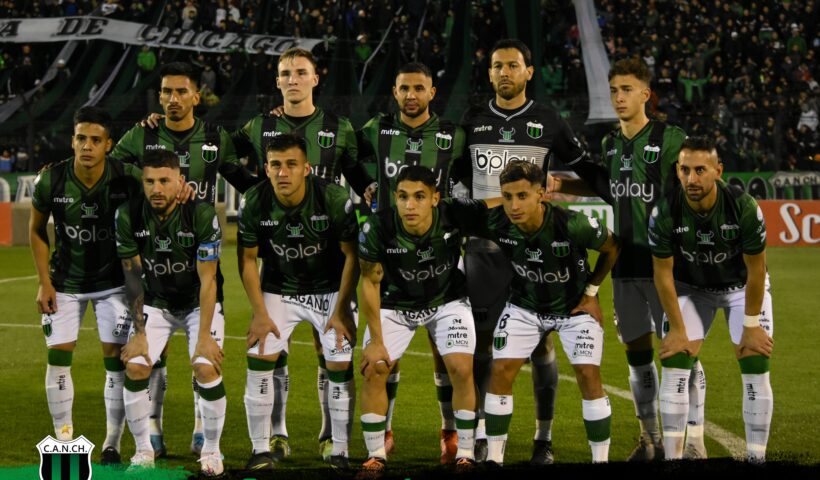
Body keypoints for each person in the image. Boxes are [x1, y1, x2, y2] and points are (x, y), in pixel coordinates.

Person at [553, 57, 704, 460]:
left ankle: (695, 440)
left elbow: (695, 183)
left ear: (645, 94)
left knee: (682, 353)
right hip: (625, 267)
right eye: (613, 90)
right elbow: (607, 187)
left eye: (626, 90)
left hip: (668, 266)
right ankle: (649, 439)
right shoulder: (610, 144)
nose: (618, 97)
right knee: (637, 359)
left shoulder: (671, 138)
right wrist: (559, 183)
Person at [232, 48, 374, 461]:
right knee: (273, 349)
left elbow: (357, 172)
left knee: (327, 349)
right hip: (280, 258)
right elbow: (220, 155)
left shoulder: (339, 127)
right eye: (285, 73)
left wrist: (369, 191)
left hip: (329, 260)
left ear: (315, 78)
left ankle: (331, 437)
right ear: (277, 81)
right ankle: (276, 435)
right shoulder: (260, 125)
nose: (292, 79)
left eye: (300, 72)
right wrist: (257, 192)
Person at [110, 61, 258, 457]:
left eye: (180, 91)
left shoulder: (214, 137)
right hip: (154, 254)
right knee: (152, 358)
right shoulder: (141, 134)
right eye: (166, 92)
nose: (172, 99)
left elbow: (242, 176)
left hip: (198, 254)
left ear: (197, 95)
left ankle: (201, 429)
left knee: (202, 355)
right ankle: (152, 430)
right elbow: (111, 170)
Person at [457, 38, 589, 463]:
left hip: (536, 251)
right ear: (489, 73)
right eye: (497, 66)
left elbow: (587, 175)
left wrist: (561, 186)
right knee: (482, 344)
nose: (505, 72)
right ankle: (482, 432)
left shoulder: (548, 120)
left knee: (542, 346)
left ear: (529, 72)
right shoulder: (472, 120)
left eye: (513, 65)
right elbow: (455, 179)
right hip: (485, 249)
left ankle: (542, 438)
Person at [357, 61, 466, 463]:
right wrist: (365, 185)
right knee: (388, 355)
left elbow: (469, 176)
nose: (411, 95)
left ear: (432, 93)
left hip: (438, 252)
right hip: (389, 254)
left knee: (445, 352)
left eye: (419, 88)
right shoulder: (377, 129)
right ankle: (384, 432)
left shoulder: (453, 135)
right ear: (395, 92)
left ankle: (449, 432)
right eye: (404, 88)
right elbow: (346, 157)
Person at [357, 166, 498, 475]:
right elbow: (369, 282)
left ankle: (464, 453)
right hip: (395, 304)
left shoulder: (454, 212)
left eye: (419, 197)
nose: (410, 205)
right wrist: (376, 341)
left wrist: (534, 200)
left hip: (447, 301)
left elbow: (491, 205)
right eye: (403, 197)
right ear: (395, 198)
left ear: (435, 198)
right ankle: (376, 455)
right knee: (375, 368)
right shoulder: (377, 227)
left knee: (461, 367)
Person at [477, 160, 619, 464]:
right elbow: (457, 213)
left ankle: (601, 460)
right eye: (507, 197)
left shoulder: (573, 224)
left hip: (574, 309)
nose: (514, 206)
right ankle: (494, 460)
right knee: (501, 371)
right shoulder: (496, 221)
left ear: (541, 194)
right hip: (524, 307)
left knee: (588, 374)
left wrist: (591, 292)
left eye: (522, 196)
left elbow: (612, 247)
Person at [237, 134, 359, 470]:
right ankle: (261, 450)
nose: (283, 172)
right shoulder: (254, 200)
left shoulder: (333, 198)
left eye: (291, 164)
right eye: (275, 165)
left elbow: (352, 256)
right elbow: (247, 260)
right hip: (279, 287)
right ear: (266, 168)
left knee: (338, 360)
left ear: (307, 168)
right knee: (259, 354)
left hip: (329, 288)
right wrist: (259, 314)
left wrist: (342, 310)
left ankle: (339, 449)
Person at [648, 136, 774, 462]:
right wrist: (678, 329)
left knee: (754, 362)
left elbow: (756, 270)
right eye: (685, 170)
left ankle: (756, 458)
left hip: (741, 289)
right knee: (675, 361)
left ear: (718, 171)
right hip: (692, 289)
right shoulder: (665, 210)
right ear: (677, 171)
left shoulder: (743, 206)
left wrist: (751, 325)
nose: (691, 178)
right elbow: (662, 274)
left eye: (700, 170)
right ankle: (674, 459)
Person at [30, 106, 142, 466]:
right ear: (72, 140)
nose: (87, 146)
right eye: (81, 138)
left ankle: (112, 443)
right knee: (58, 357)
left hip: (114, 284)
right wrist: (44, 282)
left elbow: (160, 191)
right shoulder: (51, 180)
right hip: (65, 283)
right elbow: (36, 230)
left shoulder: (127, 177)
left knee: (115, 361)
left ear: (109, 144)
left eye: (95, 140)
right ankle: (64, 439)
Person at [116, 149, 226, 476]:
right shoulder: (128, 214)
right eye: (150, 181)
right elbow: (133, 277)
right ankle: (143, 452)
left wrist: (204, 336)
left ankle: (211, 452)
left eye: (165, 181)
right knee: (136, 366)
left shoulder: (201, 214)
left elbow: (209, 280)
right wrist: (138, 334)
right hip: (156, 302)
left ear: (180, 181)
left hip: (197, 303)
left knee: (205, 367)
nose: (157, 188)